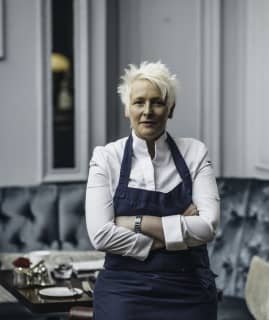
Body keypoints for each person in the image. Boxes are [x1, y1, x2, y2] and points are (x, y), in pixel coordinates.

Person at [85, 61, 220, 320]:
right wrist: (170, 237)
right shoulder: (106, 158)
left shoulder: (195, 153)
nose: (148, 111)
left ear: (170, 109)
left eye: (157, 102)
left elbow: (209, 226)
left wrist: (136, 222)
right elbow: (101, 236)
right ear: (127, 108)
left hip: (188, 286)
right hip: (123, 289)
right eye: (139, 102)